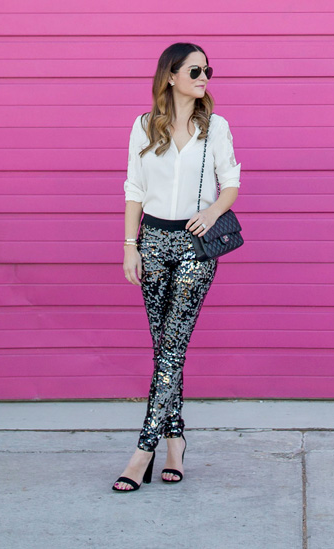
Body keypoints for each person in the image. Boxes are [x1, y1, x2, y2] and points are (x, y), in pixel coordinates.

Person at [112, 42, 240, 491]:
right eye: (195, 70)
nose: (204, 77)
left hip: (194, 246)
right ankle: (176, 440)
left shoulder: (215, 127)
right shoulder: (145, 126)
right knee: (165, 348)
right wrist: (131, 247)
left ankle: (143, 449)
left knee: (171, 345)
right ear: (171, 76)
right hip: (152, 241)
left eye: (208, 70)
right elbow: (133, 188)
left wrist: (211, 214)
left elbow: (232, 183)